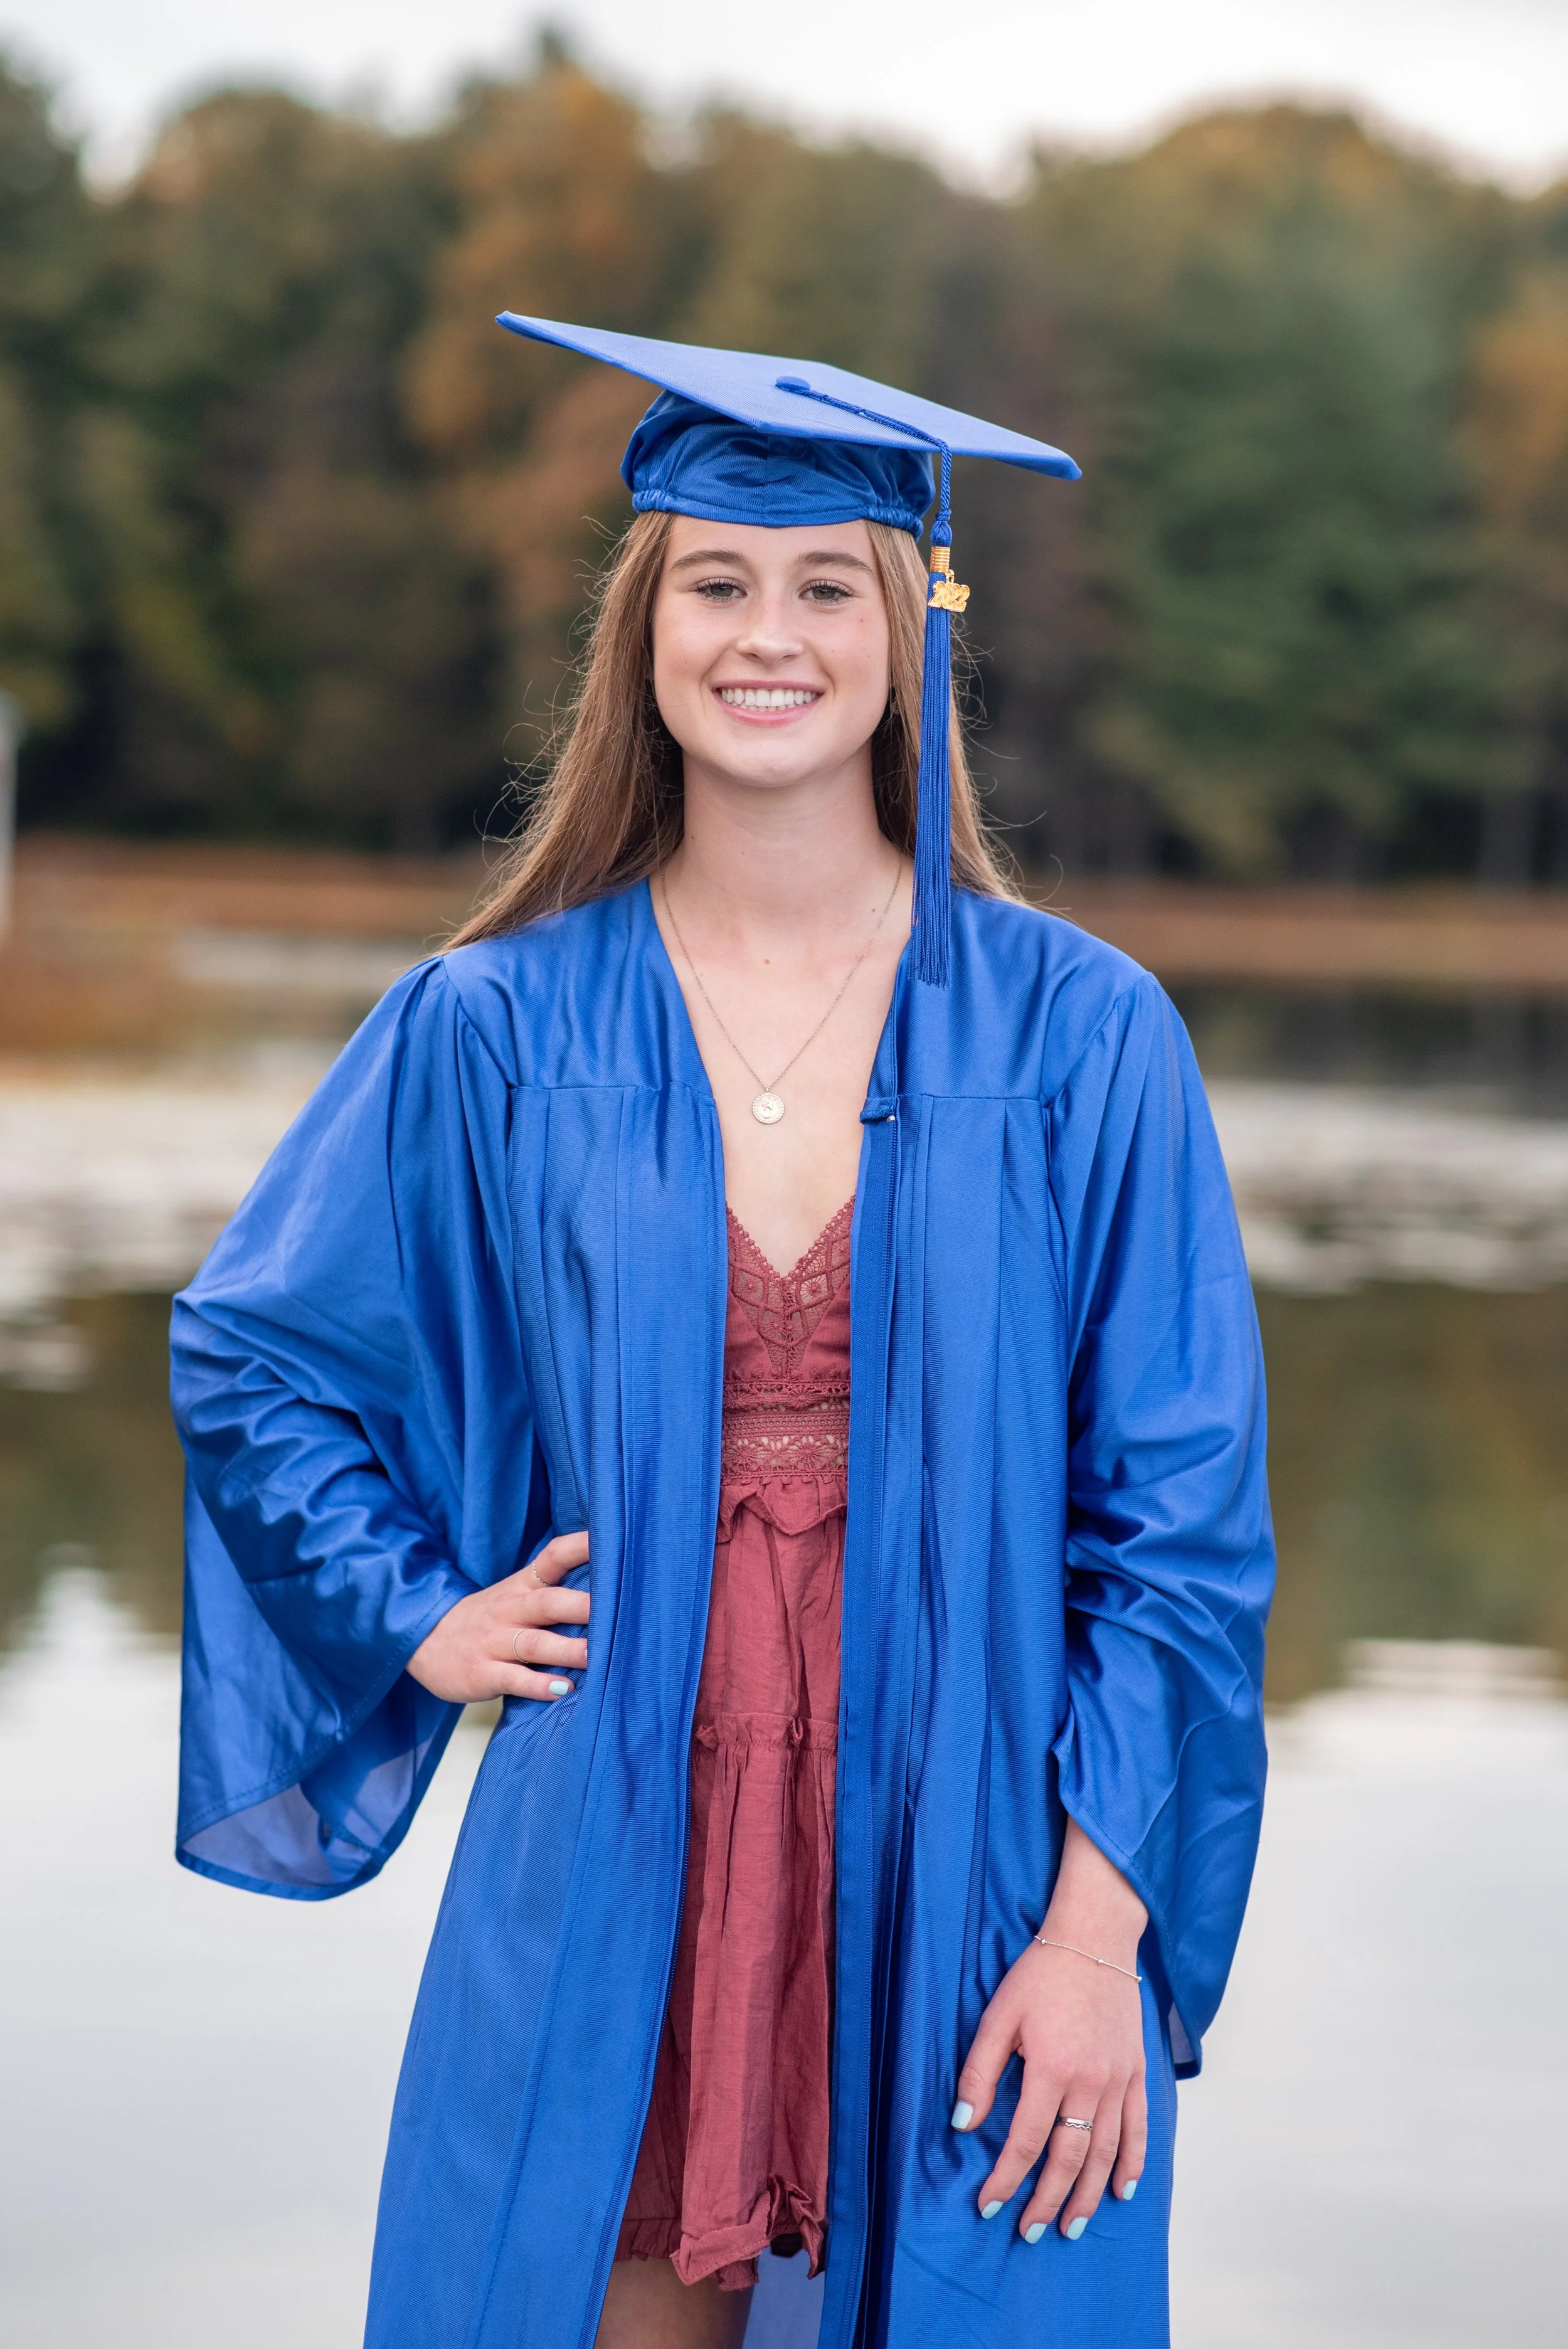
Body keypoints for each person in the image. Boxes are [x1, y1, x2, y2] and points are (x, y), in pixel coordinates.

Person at [171, 321, 1273, 2349]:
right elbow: (257, 1357)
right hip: (620, 1822)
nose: (766, 636)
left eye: (823, 584)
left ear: (906, 629)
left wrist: (1100, 1929)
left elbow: (1180, 1534)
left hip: (978, 1848)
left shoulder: (1076, 1035)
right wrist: (418, 1612)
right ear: (644, 632)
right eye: (715, 582)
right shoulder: (496, 1026)